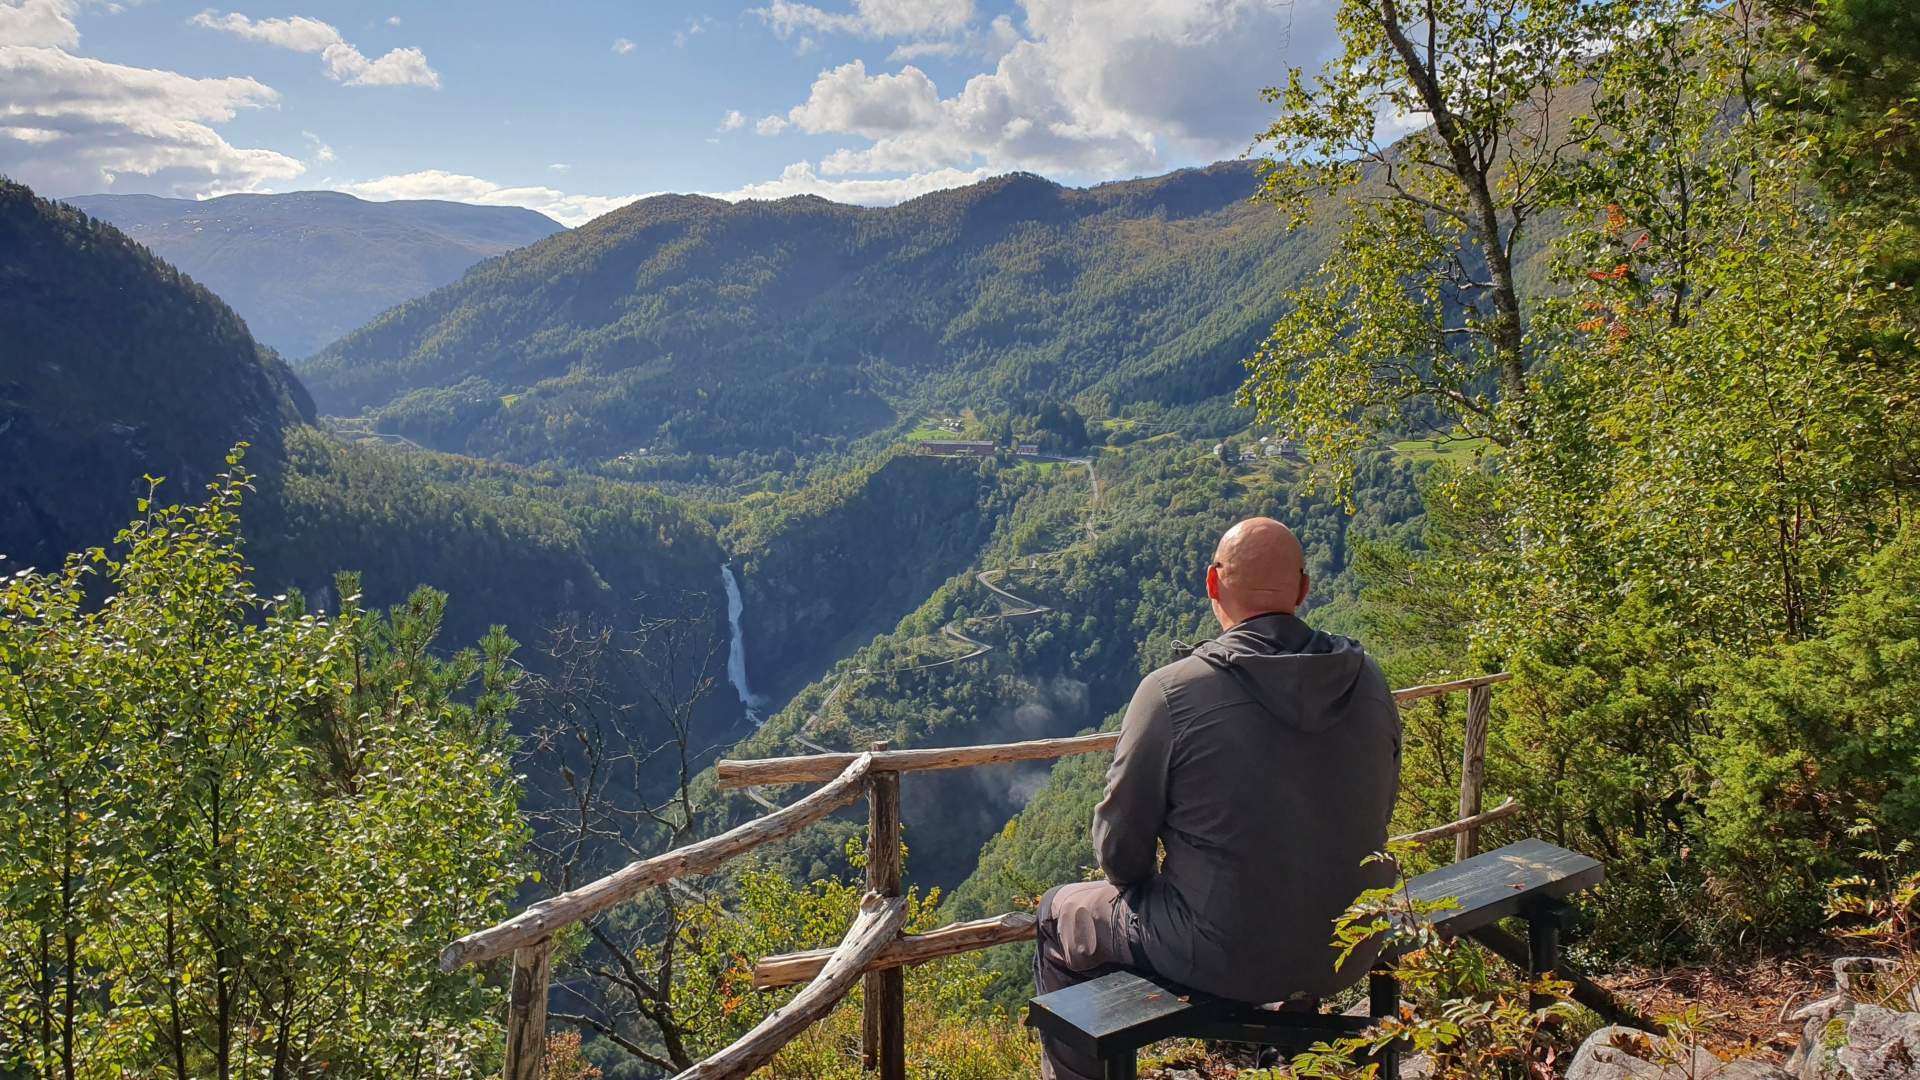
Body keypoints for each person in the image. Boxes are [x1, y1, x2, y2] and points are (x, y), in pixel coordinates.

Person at [1033, 517, 1403, 1080]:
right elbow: (1374, 812)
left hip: (1223, 954)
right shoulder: (1370, 680)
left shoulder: (1172, 691)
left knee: (1060, 914)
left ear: (1212, 584)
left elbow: (1118, 855)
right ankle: (1291, 1043)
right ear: (1303, 590)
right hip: (1352, 941)